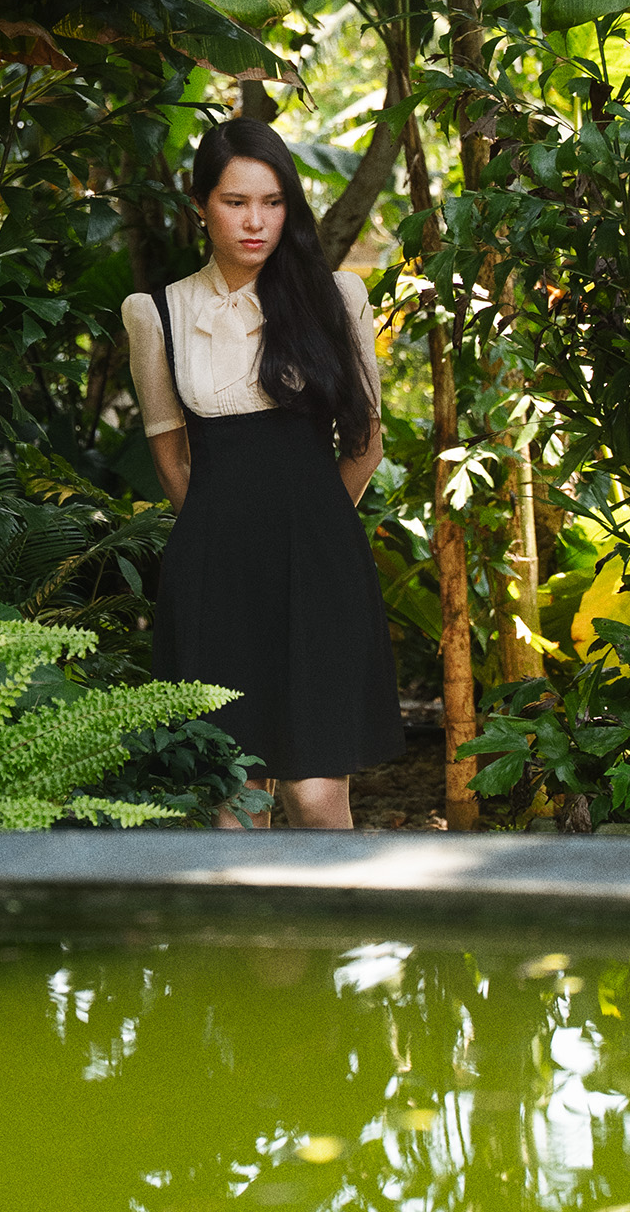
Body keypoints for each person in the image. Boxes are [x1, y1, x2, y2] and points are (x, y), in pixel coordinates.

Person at [121, 117, 405, 831]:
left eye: (273, 202)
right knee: (235, 799)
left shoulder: (336, 298)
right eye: (236, 202)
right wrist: (224, 536)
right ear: (200, 207)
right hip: (216, 574)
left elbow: (365, 444)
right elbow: (172, 459)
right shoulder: (157, 314)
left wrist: (311, 528)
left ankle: (336, 912)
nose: (256, 221)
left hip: (320, 567)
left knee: (316, 795)